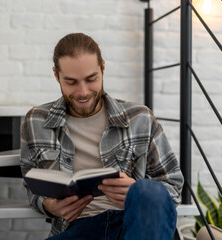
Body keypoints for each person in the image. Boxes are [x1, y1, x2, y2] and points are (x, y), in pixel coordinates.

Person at [20, 33, 184, 240]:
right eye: (71, 82)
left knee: (148, 192)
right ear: (56, 75)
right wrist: (50, 205)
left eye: (91, 79)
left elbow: (173, 187)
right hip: (79, 229)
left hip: (134, 225)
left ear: (103, 69)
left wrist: (136, 194)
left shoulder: (140, 118)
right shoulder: (35, 122)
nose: (83, 92)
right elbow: (32, 187)